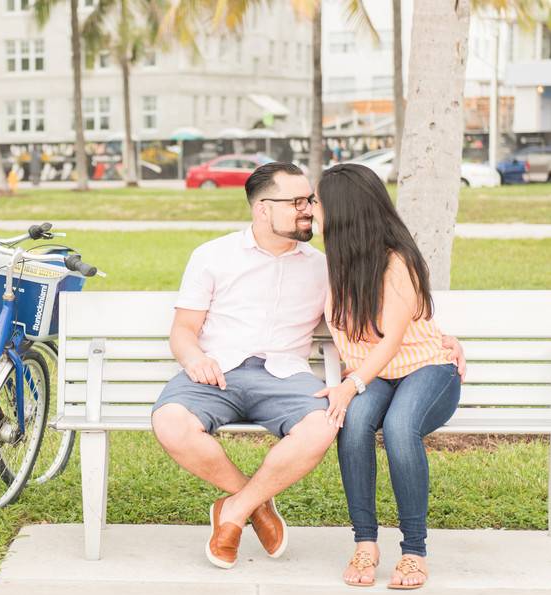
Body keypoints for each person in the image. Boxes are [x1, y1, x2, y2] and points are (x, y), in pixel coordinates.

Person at [151, 161, 464, 571]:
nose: (308, 209)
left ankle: (235, 511)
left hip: (288, 375)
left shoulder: (326, 266)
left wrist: (441, 338)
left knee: (328, 424)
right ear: (263, 209)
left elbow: (388, 320)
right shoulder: (213, 256)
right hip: (217, 370)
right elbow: (183, 330)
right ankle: (255, 504)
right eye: (297, 201)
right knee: (171, 422)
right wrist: (195, 358)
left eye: (311, 201)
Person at [311, 162, 464, 590]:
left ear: (343, 211)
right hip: (374, 375)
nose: (311, 208)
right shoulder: (334, 262)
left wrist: (350, 384)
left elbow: (393, 340)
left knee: (399, 428)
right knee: (354, 423)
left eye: (317, 202)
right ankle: (365, 543)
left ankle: (414, 551)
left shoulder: (397, 263)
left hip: (427, 370)